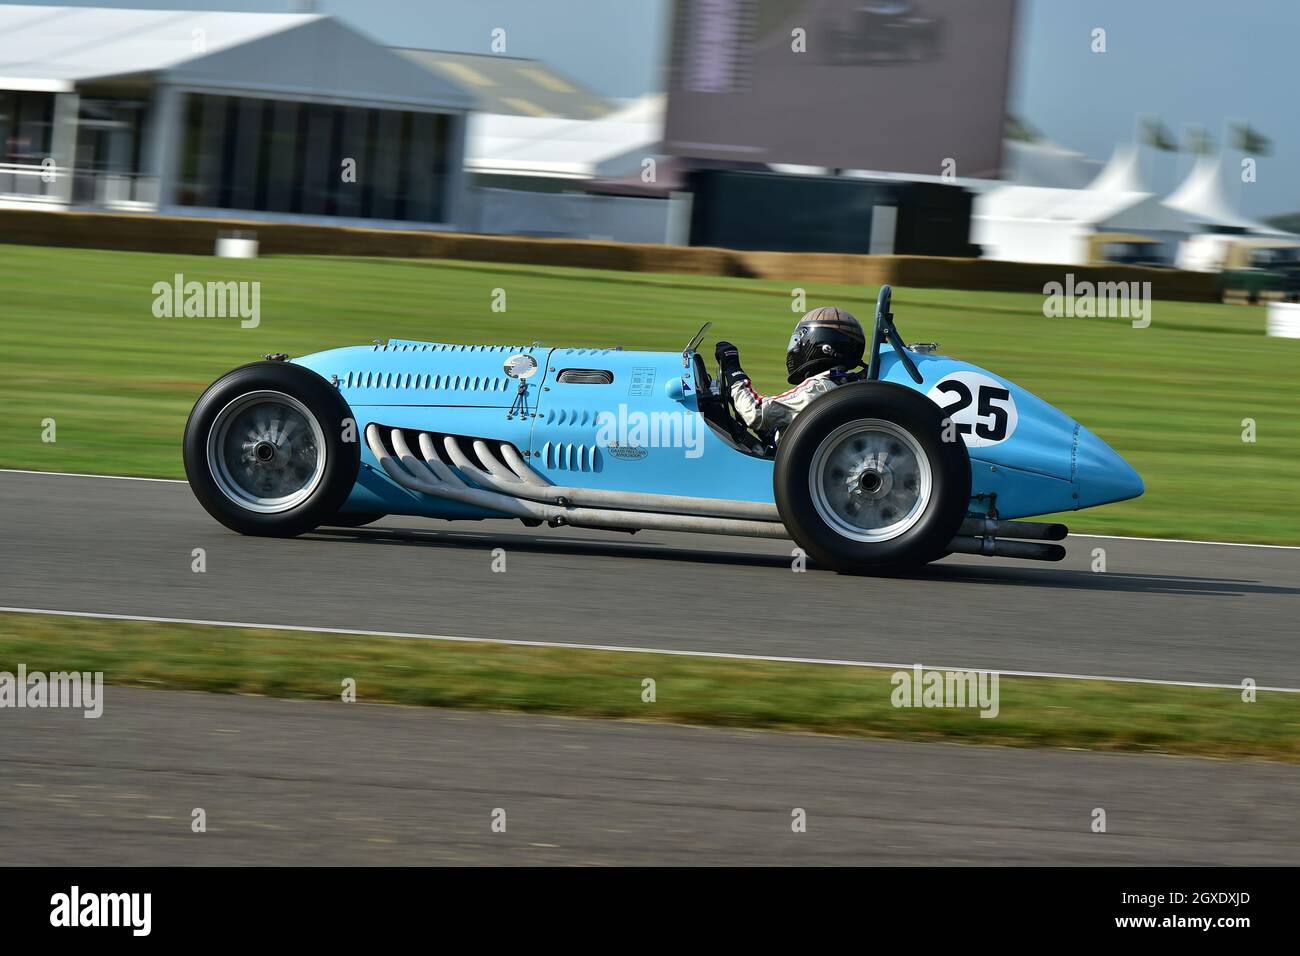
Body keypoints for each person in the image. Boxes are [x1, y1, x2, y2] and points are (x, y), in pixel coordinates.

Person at [714, 307, 867, 436]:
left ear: (823, 346)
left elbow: (755, 413)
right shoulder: (848, 384)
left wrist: (733, 370)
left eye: (798, 341)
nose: (795, 349)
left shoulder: (819, 388)